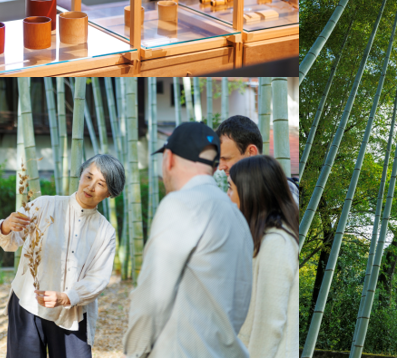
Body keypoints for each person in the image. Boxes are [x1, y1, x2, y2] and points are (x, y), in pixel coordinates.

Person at [123, 122, 253, 358]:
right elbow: (241, 302)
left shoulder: (180, 204)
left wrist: (134, 353)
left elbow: (152, 297)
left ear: (169, 158)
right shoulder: (237, 216)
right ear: (213, 168)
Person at [0, 154, 125, 358]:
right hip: (27, 303)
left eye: (101, 183)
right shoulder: (44, 205)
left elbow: (97, 279)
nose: (90, 187)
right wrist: (5, 226)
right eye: (88, 177)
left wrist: (66, 297)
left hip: (70, 312)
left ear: (111, 193)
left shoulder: (104, 231)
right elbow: (10, 242)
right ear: (80, 174)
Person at [227, 155, 299, 358]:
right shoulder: (262, 238)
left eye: (231, 188)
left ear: (250, 192)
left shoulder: (277, 243)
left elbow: (269, 325)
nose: (227, 194)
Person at [216, 115, 298, 204]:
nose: (220, 167)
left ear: (251, 152)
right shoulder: (242, 192)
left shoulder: (284, 195)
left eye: (226, 158)